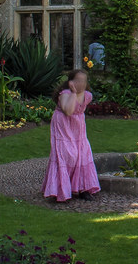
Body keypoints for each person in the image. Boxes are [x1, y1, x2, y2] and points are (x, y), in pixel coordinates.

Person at [43, 69, 101, 201]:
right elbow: (68, 111)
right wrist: (74, 93)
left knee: (83, 154)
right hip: (63, 127)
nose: (81, 83)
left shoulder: (87, 96)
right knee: (68, 155)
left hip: (78, 129)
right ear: (71, 82)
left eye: (83, 81)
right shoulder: (65, 94)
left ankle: (83, 189)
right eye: (78, 80)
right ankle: (61, 190)